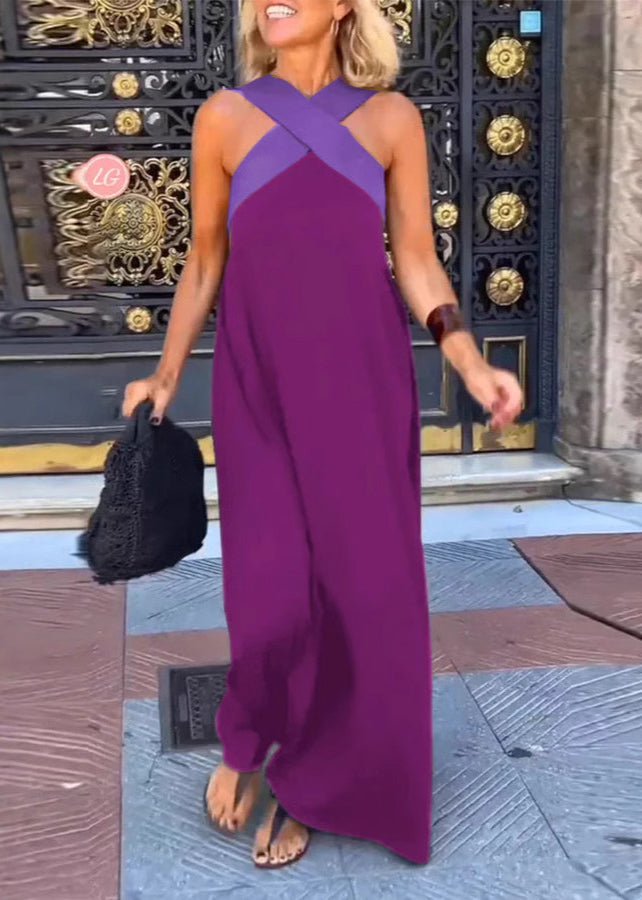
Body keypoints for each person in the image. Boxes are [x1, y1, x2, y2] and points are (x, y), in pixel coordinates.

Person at [123, 0, 523, 871]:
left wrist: (468, 359)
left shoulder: (392, 119)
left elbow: (416, 259)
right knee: (270, 592)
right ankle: (249, 734)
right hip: (259, 383)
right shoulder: (225, 117)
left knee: (364, 590)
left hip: (361, 386)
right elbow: (206, 258)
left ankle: (309, 786)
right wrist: (165, 372)